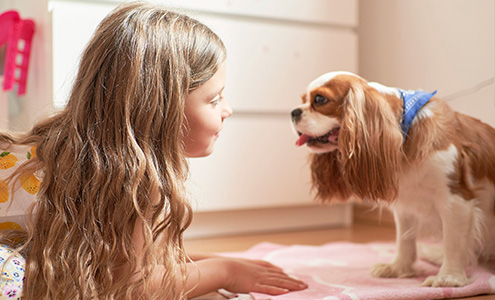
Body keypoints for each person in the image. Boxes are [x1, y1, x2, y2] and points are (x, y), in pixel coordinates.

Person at [0, 2, 307, 299]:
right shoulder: (133, 179)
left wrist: (203, 263)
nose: (227, 110)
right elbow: (132, 288)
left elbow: (119, 261)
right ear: (160, 109)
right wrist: (226, 271)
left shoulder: (86, 151)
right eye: (214, 100)